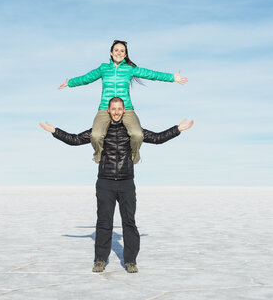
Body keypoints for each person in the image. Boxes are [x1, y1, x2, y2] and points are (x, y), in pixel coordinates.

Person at [39, 97, 194, 273]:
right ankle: (100, 260)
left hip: (127, 181)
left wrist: (178, 129)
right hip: (105, 181)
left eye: (120, 109)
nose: (117, 112)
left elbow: (157, 138)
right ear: (108, 111)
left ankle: (130, 261)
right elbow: (74, 139)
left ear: (124, 111)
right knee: (104, 222)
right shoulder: (99, 131)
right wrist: (54, 131)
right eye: (113, 109)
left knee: (129, 222)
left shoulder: (132, 131)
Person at [58, 40, 188, 164]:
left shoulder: (129, 69)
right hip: (105, 108)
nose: (119, 53)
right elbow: (86, 78)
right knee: (96, 135)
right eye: (116, 50)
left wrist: (172, 78)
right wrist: (70, 83)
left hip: (126, 108)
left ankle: (135, 156)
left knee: (137, 134)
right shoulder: (103, 68)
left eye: (122, 51)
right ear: (111, 52)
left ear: (125, 55)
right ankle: (98, 156)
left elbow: (151, 74)